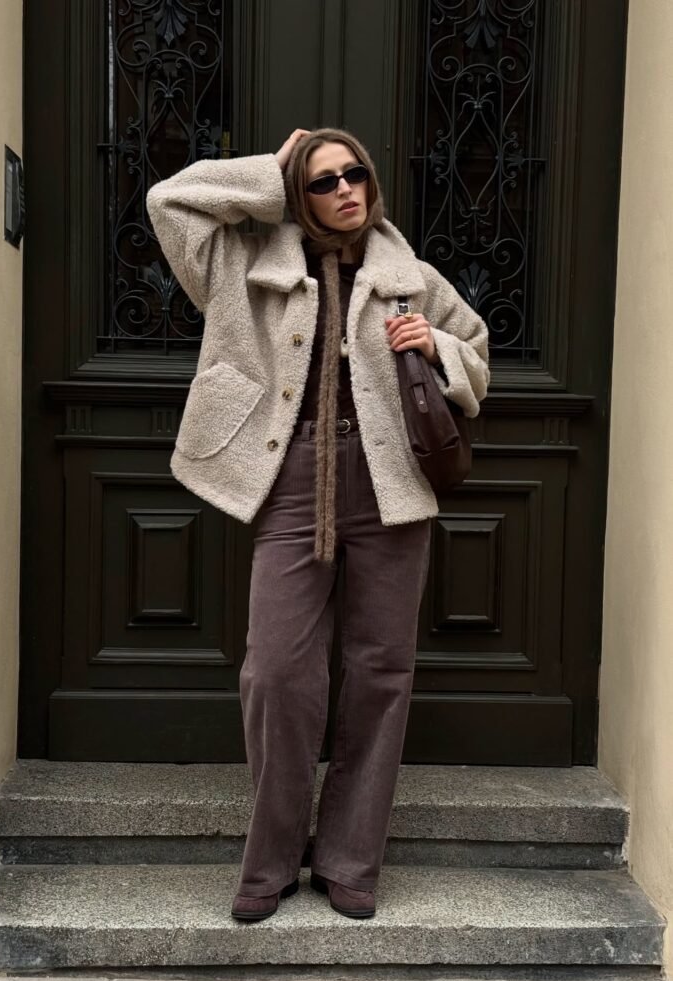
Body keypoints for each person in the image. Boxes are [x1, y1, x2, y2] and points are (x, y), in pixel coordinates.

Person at [146, 127, 490, 923]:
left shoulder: (410, 278)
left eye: (355, 174)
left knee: (380, 670)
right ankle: (268, 862)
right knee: (277, 673)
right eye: (323, 180)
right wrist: (271, 168)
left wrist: (433, 343)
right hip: (290, 476)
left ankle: (347, 859)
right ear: (295, 196)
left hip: (388, 481)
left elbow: (476, 355)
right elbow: (170, 200)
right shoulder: (241, 264)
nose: (344, 189)